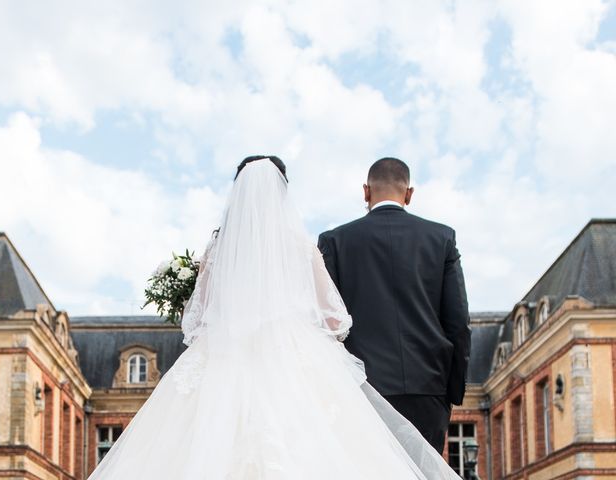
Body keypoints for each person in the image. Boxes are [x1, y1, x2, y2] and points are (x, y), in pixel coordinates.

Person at [87, 156, 460, 479]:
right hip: (292, 361)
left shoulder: (218, 250)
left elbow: (194, 323)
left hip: (222, 363)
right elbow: (336, 321)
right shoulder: (300, 247)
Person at [318, 157, 471, 454]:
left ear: (366, 191)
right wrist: (451, 390)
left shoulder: (334, 242)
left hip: (361, 388)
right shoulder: (441, 239)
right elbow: (458, 322)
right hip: (427, 389)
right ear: (409, 194)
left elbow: (327, 322)